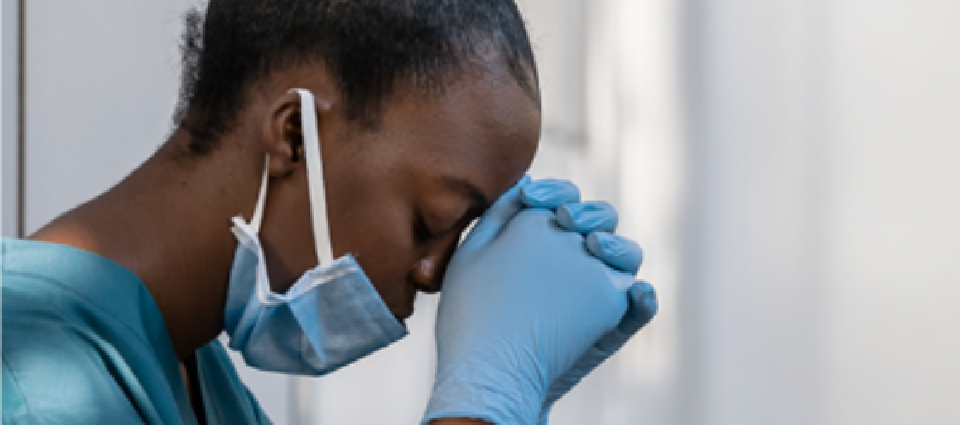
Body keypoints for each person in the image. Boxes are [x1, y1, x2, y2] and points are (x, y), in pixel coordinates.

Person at [1, 1, 657, 424]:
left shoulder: (195, 375)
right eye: (433, 222)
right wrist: (487, 399)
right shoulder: (34, 376)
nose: (436, 276)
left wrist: (521, 397)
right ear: (293, 134)